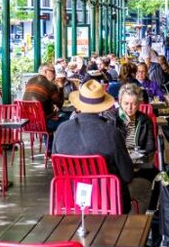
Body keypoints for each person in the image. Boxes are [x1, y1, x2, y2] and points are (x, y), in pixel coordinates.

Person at [52, 80, 135, 213]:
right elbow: (127, 175)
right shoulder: (111, 133)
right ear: (103, 107)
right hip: (108, 200)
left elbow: (56, 166)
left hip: (70, 199)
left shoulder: (62, 130)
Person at [22, 63, 66, 137]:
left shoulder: (30, 81)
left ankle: (49, 147)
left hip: (27, 123)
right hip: (43, 124)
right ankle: (55, 146)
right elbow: (59, 104)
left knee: (47, 116)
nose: (55, 74)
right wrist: (61, 87)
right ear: (46, 72)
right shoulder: (50, 85)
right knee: (66, 118)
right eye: (53, 71)